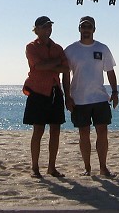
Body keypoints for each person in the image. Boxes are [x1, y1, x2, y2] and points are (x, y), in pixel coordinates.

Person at [63, 16, 118, 177]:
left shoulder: (102, 48)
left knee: (102, 132)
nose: (86, 29)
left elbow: (110, 71)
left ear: (94, 29)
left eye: (89, 26)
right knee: (84, 134)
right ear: (79, 29)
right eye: (83, 26)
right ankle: (87, 168)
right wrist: (67, 96)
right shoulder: (71, 50)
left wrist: (115, 92)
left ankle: (103, 167)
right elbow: (65, 76)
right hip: (79, 99)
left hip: (100, 98)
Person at [23, 16, 69, 178]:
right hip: (38, 92)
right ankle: (35, 167)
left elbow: (65, 68)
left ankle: (51, 167)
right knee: (38, 130)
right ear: (37, 29)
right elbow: (38, 66)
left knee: (55, 130)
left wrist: (51, 65)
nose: (48, 29)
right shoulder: (31, 47)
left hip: (55, 91)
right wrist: (54, 64)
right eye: (45, 27)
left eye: (49, 27)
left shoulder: (57, 47)